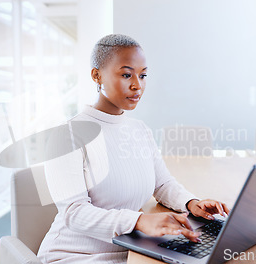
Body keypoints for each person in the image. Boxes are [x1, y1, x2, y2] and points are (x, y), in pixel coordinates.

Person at [37, 34, 230, 264]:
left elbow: (162, 184)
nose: (137, 85)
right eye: (126, 74)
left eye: (143, 75)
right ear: (96, 75)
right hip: (74, 256)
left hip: (132, 249)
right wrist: (138, 221)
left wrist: (191, 203)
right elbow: (73, 213)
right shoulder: (67, 135)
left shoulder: (139, 130)